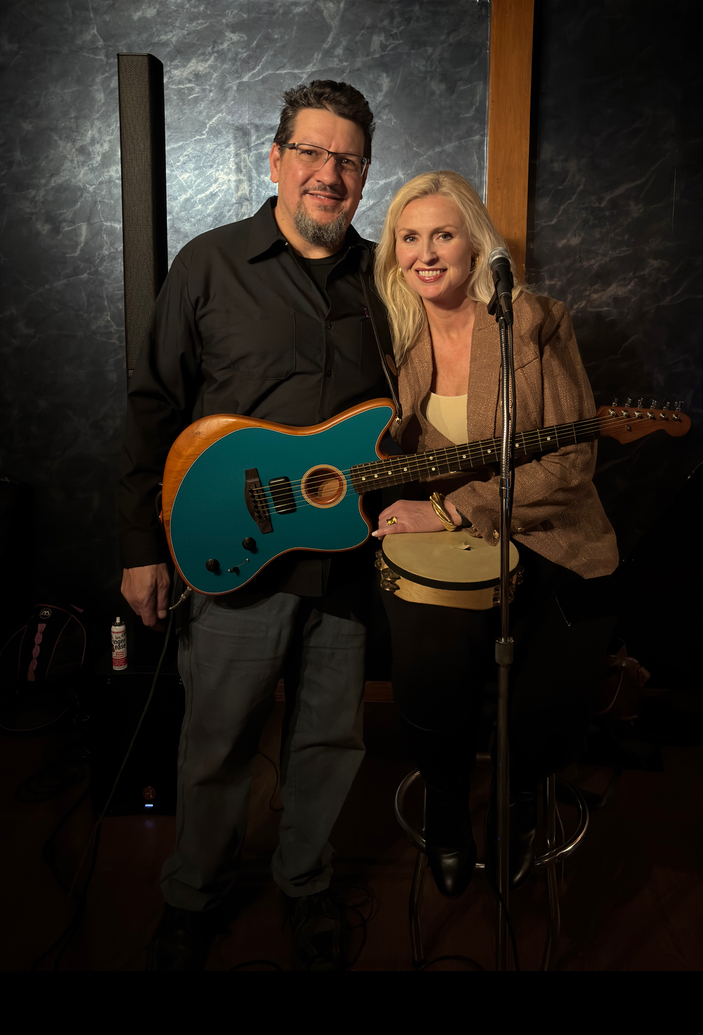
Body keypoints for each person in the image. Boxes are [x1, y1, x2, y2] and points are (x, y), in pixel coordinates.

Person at [118, 81, 397, 970]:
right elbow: (153, 407)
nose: (328, 173)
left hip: (344, 554)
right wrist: (141, 547)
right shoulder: (208, 264)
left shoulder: (387, 279)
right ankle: (194, 895)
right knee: (217, 740)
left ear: (365, 175)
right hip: (230, 555)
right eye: (311, 152)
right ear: (275, 160)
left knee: (331, 737)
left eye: (348, 159)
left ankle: (306, 885)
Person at [372, 171, 619, 898]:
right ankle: (448, 804)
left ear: (475, 245)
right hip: (454, 547)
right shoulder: (396, 336)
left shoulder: (533, 320)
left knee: (544, 701)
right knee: (428, 669)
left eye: (442, 235)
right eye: (409, 238)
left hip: (550, 534)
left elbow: (572, 462)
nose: (425, 253)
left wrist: (455, 508)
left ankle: (520, 801)